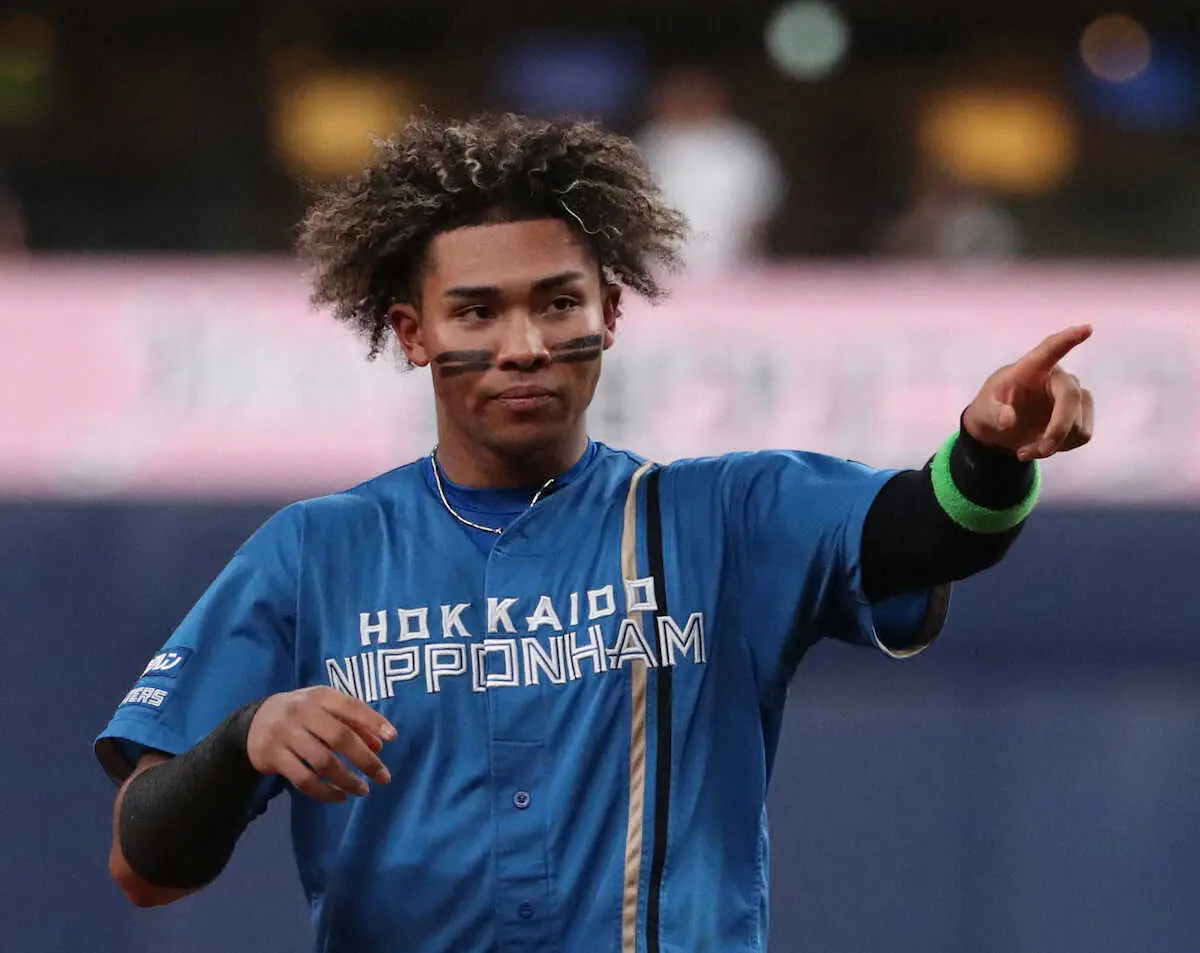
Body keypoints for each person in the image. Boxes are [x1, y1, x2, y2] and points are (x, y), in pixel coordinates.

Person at [97, 114, 1095, 953]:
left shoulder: (726, 516)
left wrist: (989, 455)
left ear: (611, 312)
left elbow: (926, 533)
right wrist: (244, 740)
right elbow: (145, 865)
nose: (525, 345)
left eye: (558, 302)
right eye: (476, 312)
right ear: (413, 333)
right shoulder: (314, 552)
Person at [637, 68, 784, 272]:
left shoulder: (742, 145)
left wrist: (739, 255)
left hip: (732, 266)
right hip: (659, 269)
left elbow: (759, 208)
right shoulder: (649, 144)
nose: (688, 101)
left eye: (696, 94)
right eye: (681, 94)